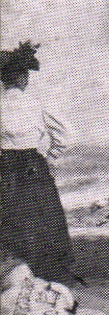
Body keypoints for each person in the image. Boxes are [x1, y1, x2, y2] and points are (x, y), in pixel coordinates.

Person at [1, 43, 74, 284]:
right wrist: (51, 156)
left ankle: (15, 271)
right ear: (23, 78)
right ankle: (46, 271)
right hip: (33, 164)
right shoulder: (37, 104)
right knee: (42, 217)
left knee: (10, 216)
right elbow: (66, 135)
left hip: (4, 165)